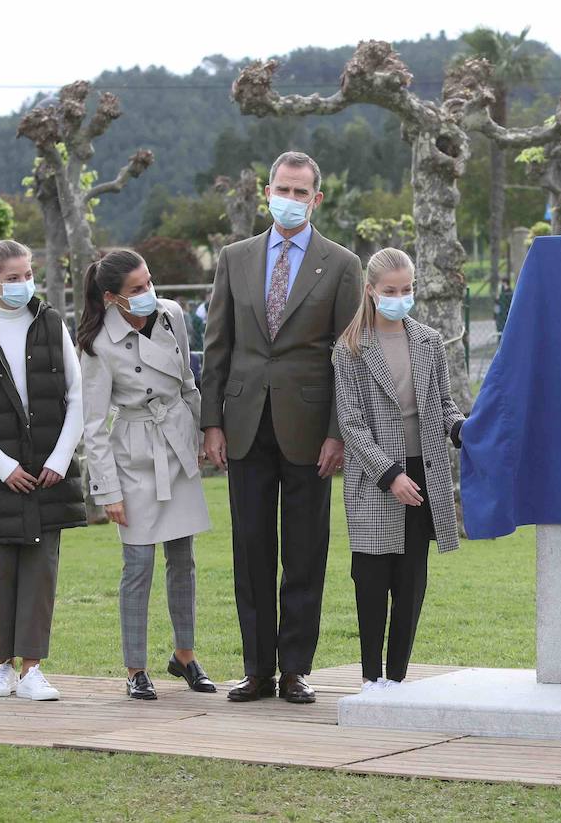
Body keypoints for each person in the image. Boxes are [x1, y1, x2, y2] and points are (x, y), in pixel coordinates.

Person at [200, 151, 362, 705]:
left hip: (310, 427)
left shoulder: (341, 264)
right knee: (250, 551)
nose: (289, 200)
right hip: (243, 423)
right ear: (266, 191)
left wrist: (339, 430)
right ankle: (256, 669)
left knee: (304, 550)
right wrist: (211, 422)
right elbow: (217, 346)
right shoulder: (235, 258)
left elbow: (350, 355)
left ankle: (295, 668)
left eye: (300, 193)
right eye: (281, 190)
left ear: (317, 199)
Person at [0, 240, 86, 701]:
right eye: (12, 278)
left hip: (47, 468)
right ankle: (2, 667)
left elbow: (76, 398)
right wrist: (4, 465)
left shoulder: (51, 323)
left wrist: (59, 459)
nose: (23, 284)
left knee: (41, 568)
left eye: (28, 275)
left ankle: (33, 669)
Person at [78, 250, 215, 701]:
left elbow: (189, 382)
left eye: (149, 282)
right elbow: (94, 425)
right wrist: (107, 490)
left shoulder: (172, 314)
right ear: (112, 297)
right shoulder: (96, 343)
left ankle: (186, 655)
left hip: (177, 443)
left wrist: (204, 437)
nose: (148, 294)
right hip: (134, 454)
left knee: (184, 560)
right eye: (137, 289)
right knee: (137, 566)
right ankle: (135, 668)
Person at [333, 248, 466, 691]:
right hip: (376, 479)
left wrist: (464, 431)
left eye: (407, 289)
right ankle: (372, 677)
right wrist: (389, 475)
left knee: (411, 583)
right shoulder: (350, 348)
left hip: (423, 473)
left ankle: (399, 677)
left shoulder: (428, 341)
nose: (400, 297)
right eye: (390, 291)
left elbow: (443, 405)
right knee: (372, 581)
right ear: (371, 291)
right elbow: (350, 423)